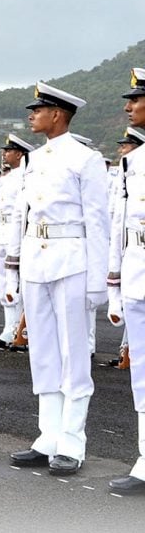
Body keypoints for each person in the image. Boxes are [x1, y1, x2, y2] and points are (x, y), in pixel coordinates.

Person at [4, 82, 108, 476]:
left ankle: (72, 441)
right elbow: (26, 216)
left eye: (39, 109)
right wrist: (15, 265)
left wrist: (98, 280)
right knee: (43, 349)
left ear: (59, 114)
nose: (32, 115)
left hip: (71, 259)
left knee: (73, 352)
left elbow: (98, 222)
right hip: (37, 259)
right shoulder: (35, 159)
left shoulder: (86, 159)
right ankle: (47, 434)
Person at [106, 68, 145, 493]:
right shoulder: (133, 160)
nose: (128, 106)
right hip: (138, 270)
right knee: (143, 376)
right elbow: (121, 225)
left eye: (136, 99)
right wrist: (115, 284)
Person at [0, 134, 32, 349]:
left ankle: (21, 330)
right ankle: (8, 328)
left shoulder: (27, 176)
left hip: (17, 235)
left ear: (19, 153)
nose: (4, 153)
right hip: (3, 235)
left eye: (8, 150)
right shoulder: (6, 178)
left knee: (18, 284)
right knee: (3, 283)